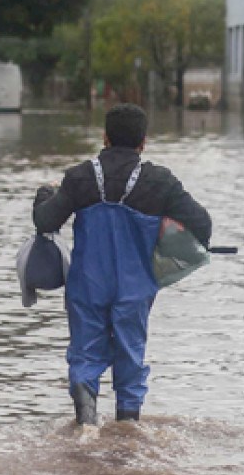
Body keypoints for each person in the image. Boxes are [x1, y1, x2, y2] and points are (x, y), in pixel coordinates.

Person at [32, 103, 213, 424]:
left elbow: (45, 222)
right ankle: (128, 433)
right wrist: (165, 233)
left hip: (87, 285)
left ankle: (86, 422)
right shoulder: (160, 182)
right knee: (130, 357)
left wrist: (44, 194)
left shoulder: (79, 178)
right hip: (136, 288)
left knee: (85, 355)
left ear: (105, 138)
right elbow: (203, 225)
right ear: (144, 142)